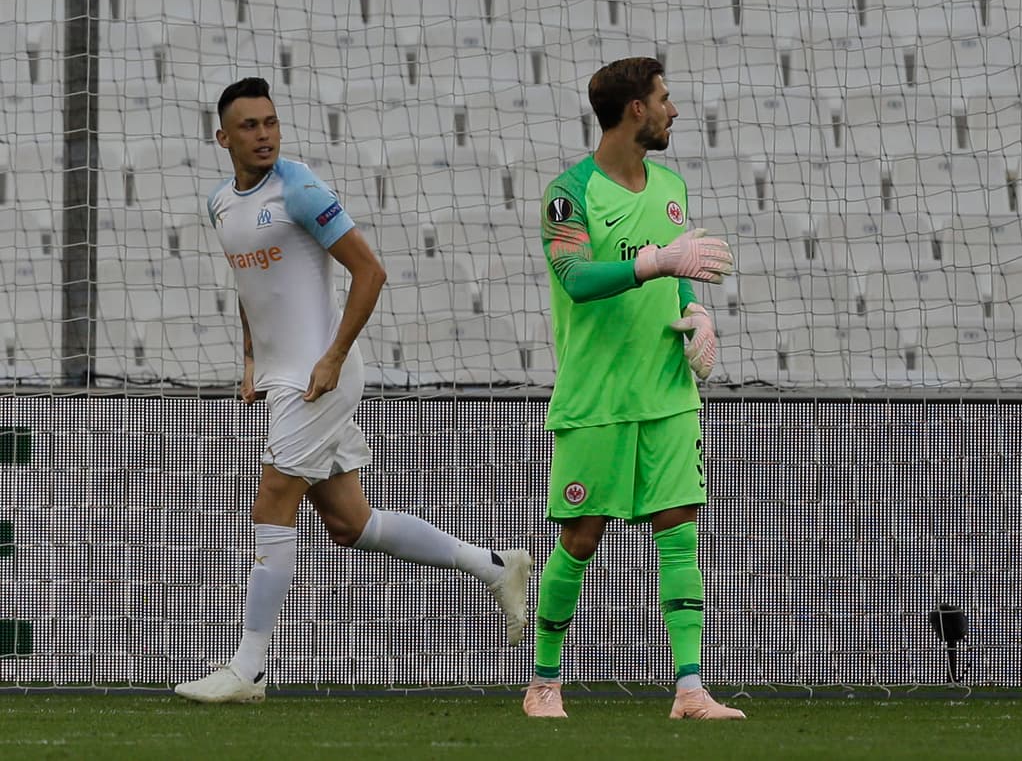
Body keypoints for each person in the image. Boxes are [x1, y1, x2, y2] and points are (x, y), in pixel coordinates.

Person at [175, 77, 530, 704]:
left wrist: (334, 357)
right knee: (349, 522)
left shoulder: (300, 189)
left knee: (272, 497)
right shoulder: (220, 204)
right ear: (223, 137)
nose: (264, 135)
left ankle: (249, 669)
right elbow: (251, 287)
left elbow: (371, 271)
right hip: (282, 376)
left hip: (321, 375)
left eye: (271, 122)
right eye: (250, 126)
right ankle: (495, 566)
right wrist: (251, 357)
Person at [522, 58, 744, 720]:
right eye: (664, 99)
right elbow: (575, 277)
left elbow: (677, 275)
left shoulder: (671, 186)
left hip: (668, 393)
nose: (675, 110)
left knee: (679, 534)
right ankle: (543, 684)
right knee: (582, 537)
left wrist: (695, 315)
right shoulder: (570, 192)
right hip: (598, 399)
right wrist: (654, 263)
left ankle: (690, 688)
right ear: (635, 110)